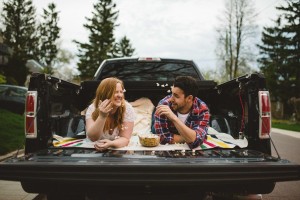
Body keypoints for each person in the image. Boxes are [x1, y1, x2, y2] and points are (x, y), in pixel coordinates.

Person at [153, 76, 210, 149]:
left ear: (189, 98)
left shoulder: (202, 109)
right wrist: (189, 137)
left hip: (174, 130)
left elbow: (196, 142)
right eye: (172, 93)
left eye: (176, 96)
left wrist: (174, 118)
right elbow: (162, 138)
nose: (171, 99)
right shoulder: (164, 105)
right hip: (157, 123)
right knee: (153, 129)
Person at [85, 77, 135, 151]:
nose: (120, 95)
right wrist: (102, 116)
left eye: (121, 92)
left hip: (116, 148)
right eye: (116, 92)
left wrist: (111, 144)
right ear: (105, 94)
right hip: (93, 148)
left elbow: (125, 138)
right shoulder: (93, 108)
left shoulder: (127, 108)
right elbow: (93, 138)